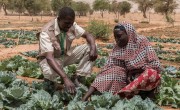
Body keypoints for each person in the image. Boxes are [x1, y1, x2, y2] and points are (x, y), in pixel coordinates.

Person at [82, 22, 161, 101]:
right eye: (115, 37)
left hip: (143, 80)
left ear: (128, 34)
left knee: (151, 73)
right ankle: (122, 95)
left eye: (119, 36)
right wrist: (87, 95)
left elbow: (156, 65)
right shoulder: (117, 48)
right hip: (126, 81)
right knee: (114, 71)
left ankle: (123, 94)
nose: (117, 40)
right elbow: (107, 70)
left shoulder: (142, 41)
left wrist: (136, 70)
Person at [37, 7, 97, 94]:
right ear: (58, 19)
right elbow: (49, 58)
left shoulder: (71, 25)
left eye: (71, 23)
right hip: (51, 59)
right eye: (66, 23)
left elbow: (88, 35)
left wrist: (93, 48)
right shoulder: (46, 32)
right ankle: (50, 81)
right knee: (49, 72)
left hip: (65, 55)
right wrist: (65, 78)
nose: (69, 26)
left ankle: (78, 78)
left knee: (91, 47)